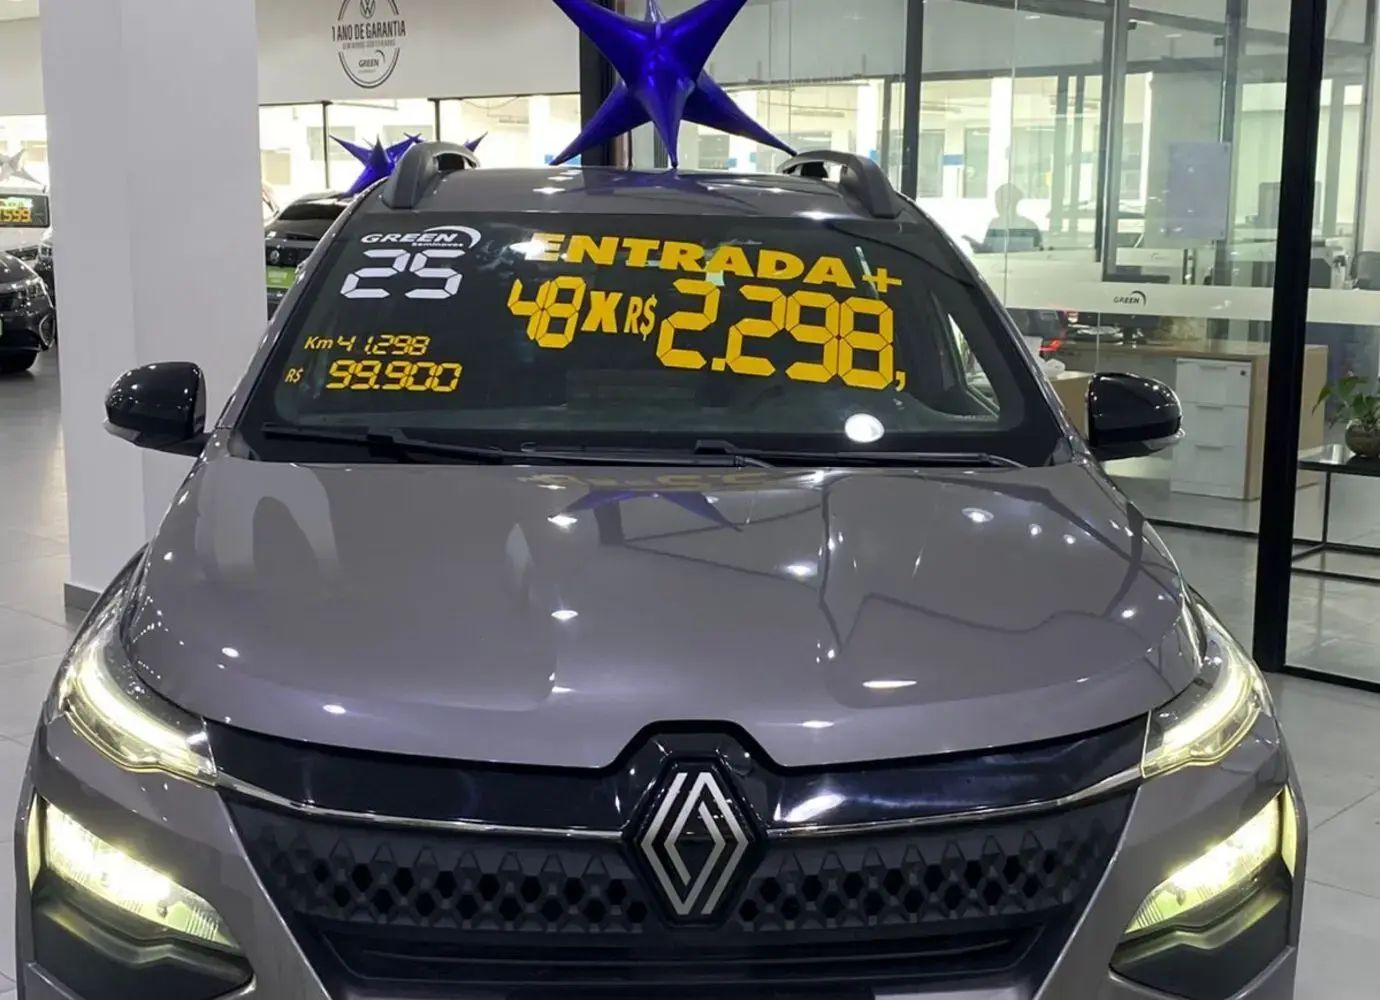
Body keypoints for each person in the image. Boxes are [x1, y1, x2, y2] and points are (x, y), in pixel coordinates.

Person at [982, 183, 1044, 253]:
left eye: (1000, 201)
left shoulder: (1029, 226)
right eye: (996, 201)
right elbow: (986, 250)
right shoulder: (994, 224)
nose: (997, 205)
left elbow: (1038, 252)